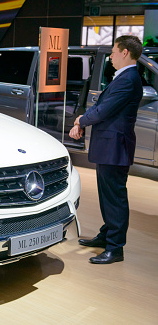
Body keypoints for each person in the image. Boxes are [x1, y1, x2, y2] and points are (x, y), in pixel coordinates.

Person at [69, 35, 143, 264]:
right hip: (111, 146)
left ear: (125, 53)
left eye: (113, 52)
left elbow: (103, 111)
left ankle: (115, 247)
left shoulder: (128, 79)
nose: (110, 57)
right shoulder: (124, 77)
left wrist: (81, 121)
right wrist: (83, 119)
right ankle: (107, 235)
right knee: (108, 195)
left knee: (115, 197)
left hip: (115, 147)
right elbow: (103, 107)